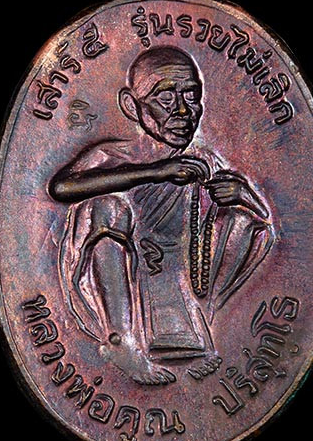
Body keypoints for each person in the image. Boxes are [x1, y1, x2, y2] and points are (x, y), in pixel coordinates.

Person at [50, 46, 273, 385]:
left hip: (177, 273)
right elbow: (61, 188)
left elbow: (262, 226)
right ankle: (120, 339)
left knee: (242, 220)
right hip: (122, 271)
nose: (182, 111)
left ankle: (198, 331)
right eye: (165, 97)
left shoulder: (204, 161)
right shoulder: (115, 154)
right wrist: (155, 172)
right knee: (104, 208)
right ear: (131, 105)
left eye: (191, 96)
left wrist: (244, 196)